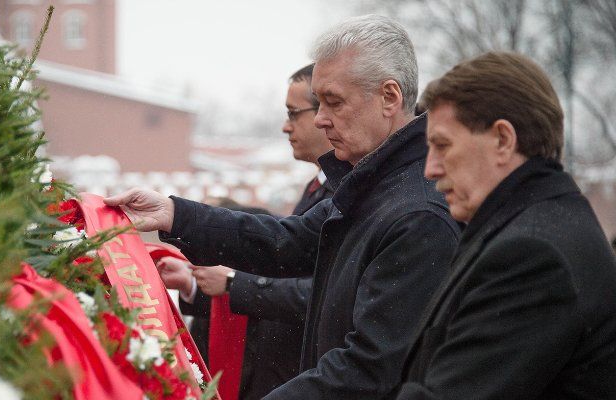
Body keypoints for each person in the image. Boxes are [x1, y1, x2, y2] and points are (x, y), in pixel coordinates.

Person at [106, 15, 460, 399]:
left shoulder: (417, 215)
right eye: (319, 103)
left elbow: (369, 369)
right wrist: (175, 214)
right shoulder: (371, 188)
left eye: (334, 102)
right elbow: (284, 241)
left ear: (389, 98)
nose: (321, 119)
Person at [394, 51, 616, 399]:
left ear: (502, 140)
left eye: (442, 146)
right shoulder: (542, 224)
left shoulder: (531, 256)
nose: (430, 169)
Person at [157, 64, 334, 399]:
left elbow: (320, 293)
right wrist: (194, 281)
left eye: (294, 114)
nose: (286, 126)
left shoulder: (343, 194)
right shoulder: (317, 187)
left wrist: (235, 283)